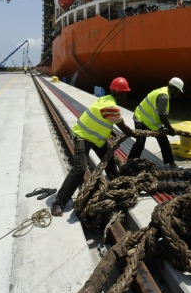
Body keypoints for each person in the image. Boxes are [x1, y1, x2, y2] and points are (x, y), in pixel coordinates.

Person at [51, 77, 137, 217]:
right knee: (80, 168)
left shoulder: (105, 99)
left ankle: (114, 179)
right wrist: (135, 135)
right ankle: (58, 202)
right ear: (121, 94)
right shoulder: (111, 107)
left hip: (96, 138)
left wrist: (111, 132)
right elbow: (124, 127)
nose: (125, 96)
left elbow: (103, 119)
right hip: (82, 136)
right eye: (125, 93)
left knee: (109, 158)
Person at [127, 77, 184, 169]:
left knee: (164, 142)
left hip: (151, 121)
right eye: (177, 91)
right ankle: (129, 165)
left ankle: (171, 163)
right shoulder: (163, 96)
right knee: (140, 143)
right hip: (141, 118)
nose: (177, 94)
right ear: (173, 88)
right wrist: (170, 129)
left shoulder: (164, 91)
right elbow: (162, 116)